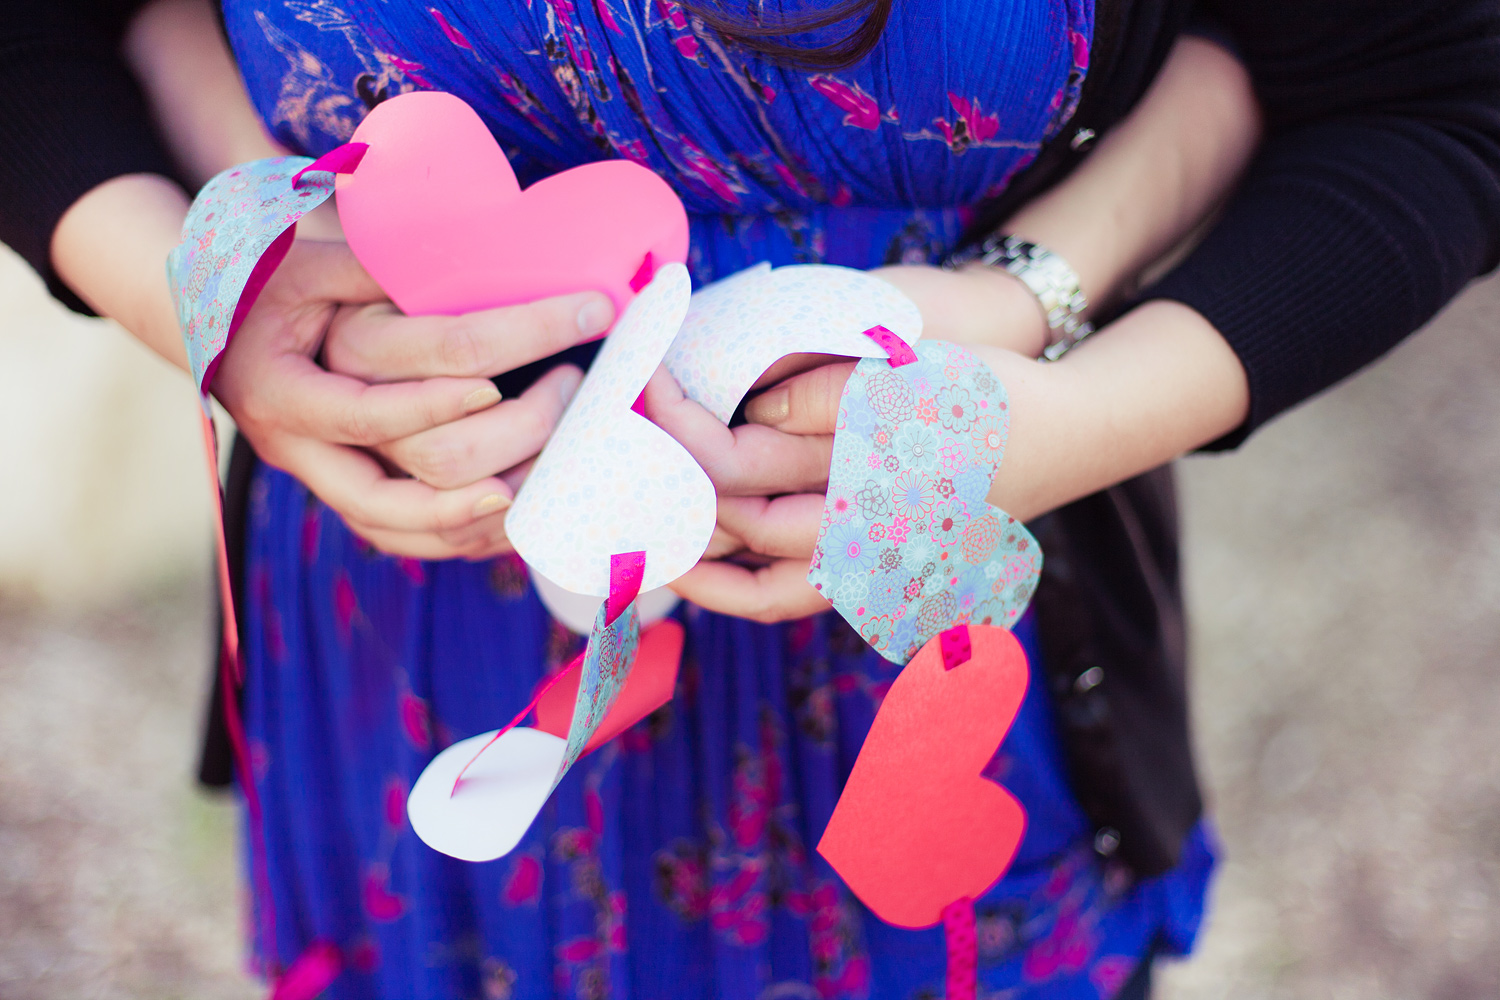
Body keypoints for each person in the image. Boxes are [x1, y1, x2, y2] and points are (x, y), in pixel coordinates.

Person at [2, 3, 1498, 1000]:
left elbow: (1421, 79)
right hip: (421, 660)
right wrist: (206, 285)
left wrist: (1053, 377)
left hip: (933, 652)